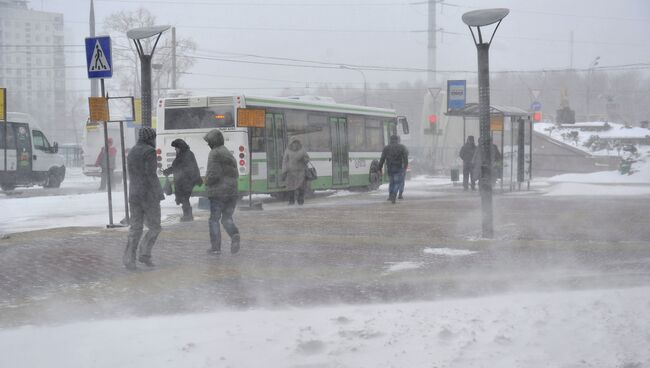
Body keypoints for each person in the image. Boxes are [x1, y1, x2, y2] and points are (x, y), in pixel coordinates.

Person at [123, 127, 164, 270]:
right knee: (155, 227)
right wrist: (159, 193)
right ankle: (144, 254)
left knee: (135, 228)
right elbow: (150, 175)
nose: (154, 140)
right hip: (148, 195)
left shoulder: (132, 151)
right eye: (153, 137)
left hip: (134, 193)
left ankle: (129, 259)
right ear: (150, 138)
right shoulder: (149, 152)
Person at [204, 129, 240, 255]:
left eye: (209, 141)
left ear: (213, 141)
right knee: (226, 218)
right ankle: (234, 234)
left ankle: (215, 248)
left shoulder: (214, 153)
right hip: (232, 192)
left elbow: (213, 174)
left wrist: (206, 182)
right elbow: (236, 174)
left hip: (218, 193)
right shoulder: (228, 153)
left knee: (214, 219)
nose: (208, 144)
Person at [162, 139, 202, 222]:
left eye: (176, 148)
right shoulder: (184, 154)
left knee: (184, 199)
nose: (175, 150)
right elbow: (177, 167)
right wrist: (169, 171)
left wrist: (168, 171)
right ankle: (187, 215)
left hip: (186, 181)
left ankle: (188, 216)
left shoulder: (186, 155)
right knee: (184, 199)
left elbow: (180, 168)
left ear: (180, 147)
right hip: (185, 181)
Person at [378, 134, 409, 204]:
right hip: (399, 168)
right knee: (397, 182)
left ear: (390, 140)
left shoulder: (386, 148)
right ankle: (394, 194)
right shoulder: (402, 147)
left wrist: (379, 168)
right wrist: (405, 166)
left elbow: (382, 159)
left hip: (390, 168)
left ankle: (390, 195)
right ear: (397, 140)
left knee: (391, 182)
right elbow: (405, 158)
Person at [281, 137, 310, 205]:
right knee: (291, 188)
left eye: (296, 142)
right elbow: (285, 161)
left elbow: (307, 159)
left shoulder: (302, 150)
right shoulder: (287, 150)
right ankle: (291, 201)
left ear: (298, 143)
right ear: (291, 143)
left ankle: (300, 201)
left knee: (301, 188)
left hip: (301, 173)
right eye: (294, 143)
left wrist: (304, 159)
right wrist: (284, 171)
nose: (295, 144)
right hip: (291, 173)